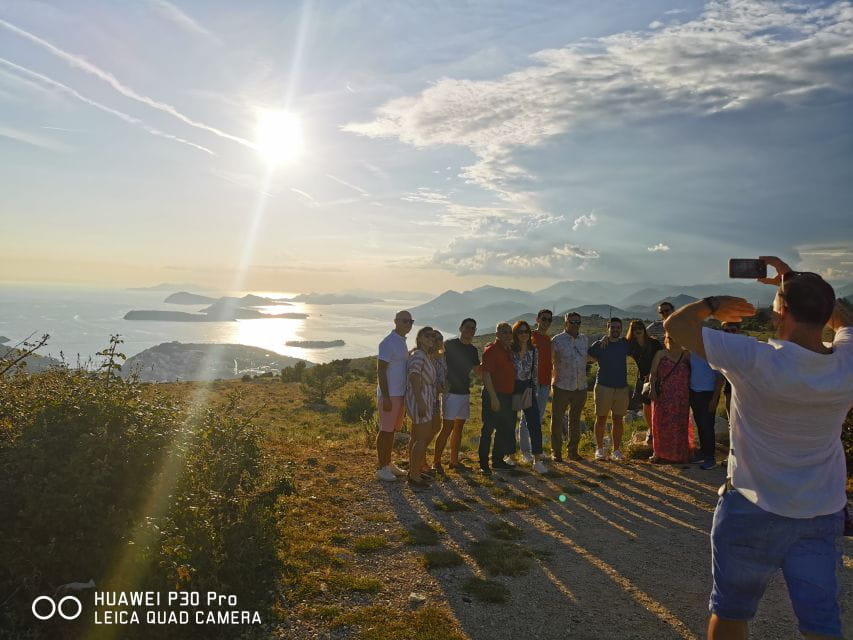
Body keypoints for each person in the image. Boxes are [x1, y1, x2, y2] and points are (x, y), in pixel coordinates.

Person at [664, 256, 852, 640]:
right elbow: (844, 321)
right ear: (824, 312)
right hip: (821, 511)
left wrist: (712, 304)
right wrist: (797, 284)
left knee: (731, 611)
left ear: (780, 313)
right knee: (820, 623)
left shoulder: (754, 359)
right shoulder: (846, 364)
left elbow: (676, 326)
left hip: (752, 506)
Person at [433, 318, 480, 472]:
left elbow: (478, 371)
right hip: (450, 393)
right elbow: (436, 357)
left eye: (473, 328)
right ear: (460, 328)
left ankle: (454, 461)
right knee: (447, 428)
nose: (470, 331)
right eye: (467, 327)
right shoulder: (450, 344)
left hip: (464, 392)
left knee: (459, 429)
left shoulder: (473, 350)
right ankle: (436, 462)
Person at [375, 310, 413, 482]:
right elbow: (381, 370)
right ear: (396, 321)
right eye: (404, 321)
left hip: (399, 394)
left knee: (391, 431)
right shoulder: (388, 343)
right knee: (385, 430)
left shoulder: (401, 342)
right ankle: (381, 467)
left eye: (410, 321)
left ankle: (388, 463)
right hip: (389, 395)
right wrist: (387, 396)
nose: (408, 324)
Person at [588, 317, 631, 461]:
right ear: (608, 327)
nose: (615, 330)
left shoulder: (625, 344)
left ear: (621, 329)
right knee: (601, 418)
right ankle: (599, 449)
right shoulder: (600, 344)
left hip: (622, 387)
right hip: (603, 386)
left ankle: (616, 451)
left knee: (618, 419)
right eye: (613, 327)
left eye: (618, 327)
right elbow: (587, 357)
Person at [550, 312, 590, 462]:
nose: (575, 325)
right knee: (557, 420)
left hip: (580, 387)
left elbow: (590, 357)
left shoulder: (584, 339)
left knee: (575, 420)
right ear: (565, 323)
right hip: (561, 386)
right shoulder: (557, 340)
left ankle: (573, 452)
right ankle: (556, 452)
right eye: (572, 322)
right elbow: (548, 361)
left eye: (577, 322)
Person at [509, 321, 547, 473]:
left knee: (534, 424)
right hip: (512, 388)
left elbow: (535, 371)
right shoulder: (510, 349)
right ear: (515, 333)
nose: (524, 334)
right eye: (520, 331)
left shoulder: (534, 350)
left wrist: (534, 390)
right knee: (510, 422)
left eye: (526, 331)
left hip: (527, 388)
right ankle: (511, 457)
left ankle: (537, 460)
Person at [478, 323, 516, 474]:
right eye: (504, 332)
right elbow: (486, 376)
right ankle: (483, 464)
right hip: (493, 395)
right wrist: (494, 398)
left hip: (507, 396)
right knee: (488, 430)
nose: (508, 335)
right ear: (497, 334)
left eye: (509, 332)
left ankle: (498, 461)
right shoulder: (491, 351)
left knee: (503, 429)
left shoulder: (509, 350)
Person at [648, 333, 691, 463]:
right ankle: (659, 453)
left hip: (681, 397)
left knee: (679, 426)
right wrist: (652, 389)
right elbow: (653, 374)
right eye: (670, 337)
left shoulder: (686, 355)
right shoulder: (661, 354)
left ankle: (678, 455)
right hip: (663, 395)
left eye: (675, 337)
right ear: (666, 338)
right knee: (661, 424)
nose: (672, 340)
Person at [518, 309, 553, 464]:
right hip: (530, 383)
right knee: (526, 417)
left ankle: (535, 450)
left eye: (549, 320)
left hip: (545, 382)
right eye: (543, 319)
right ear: (537, 319)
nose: (546, 322)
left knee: (537, 418)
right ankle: (525, 452)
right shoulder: (530, 336)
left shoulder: (548, 339)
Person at [405, 326, 438, 487]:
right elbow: (414, 375)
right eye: (427, 335)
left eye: (433, 336)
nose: (431, 338)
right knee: (422, 439)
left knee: (416, 437)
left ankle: (414, 471)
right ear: (419, 338)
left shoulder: (424, 355)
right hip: (420, 399)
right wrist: (420, 401)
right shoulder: (419, 355)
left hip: (424, 398)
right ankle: (414, 476)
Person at [626, 319, 662, 434]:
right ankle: (651, 430)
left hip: (657, 377)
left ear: (644, 329)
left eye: (640, 328)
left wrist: (654, 374)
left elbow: (662, 360)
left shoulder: (654, 343)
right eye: (634, 328)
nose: (638, 330)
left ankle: (659, 429)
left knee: (658, 405)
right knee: (646, 406)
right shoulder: (631, 345)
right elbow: (615, 342)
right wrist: (605, 338)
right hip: (642, 379)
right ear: (631, 331)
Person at [688, 350, 723, 470]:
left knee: (707, 425)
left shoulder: (712, 354)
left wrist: (714, 399)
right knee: (700, 425)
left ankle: (710, 457)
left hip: (708, 394)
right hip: (694, 393)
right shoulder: (691, 352)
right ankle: (704, 452)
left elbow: (719, 378)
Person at [427, 330, 448, 473]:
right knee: (425, 430)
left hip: (436, 398)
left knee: (435, 427)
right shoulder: (427, 357)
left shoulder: (442, 356)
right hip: (426, 397)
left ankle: (427, 459)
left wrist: (445, 385)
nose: (438, 341)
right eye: (434, 339)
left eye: (440, 338)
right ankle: (419, 460)